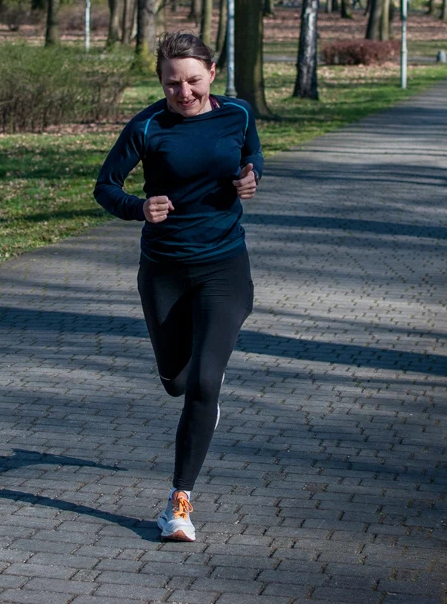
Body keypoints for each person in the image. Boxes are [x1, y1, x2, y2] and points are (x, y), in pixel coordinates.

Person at [94, 31, 263, 544]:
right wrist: (137, 207)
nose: (183, 93)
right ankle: (202, 388)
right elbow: (105, 186)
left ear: (212, 74)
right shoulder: (146, 126)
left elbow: (251, 157)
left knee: (205, 382)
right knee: (175, 381)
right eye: (172, 84)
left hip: (223, 267)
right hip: (164, 270)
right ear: (160, 82)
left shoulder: (238, 113)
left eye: (192, 81)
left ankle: (178, 501)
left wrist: (252, 177)